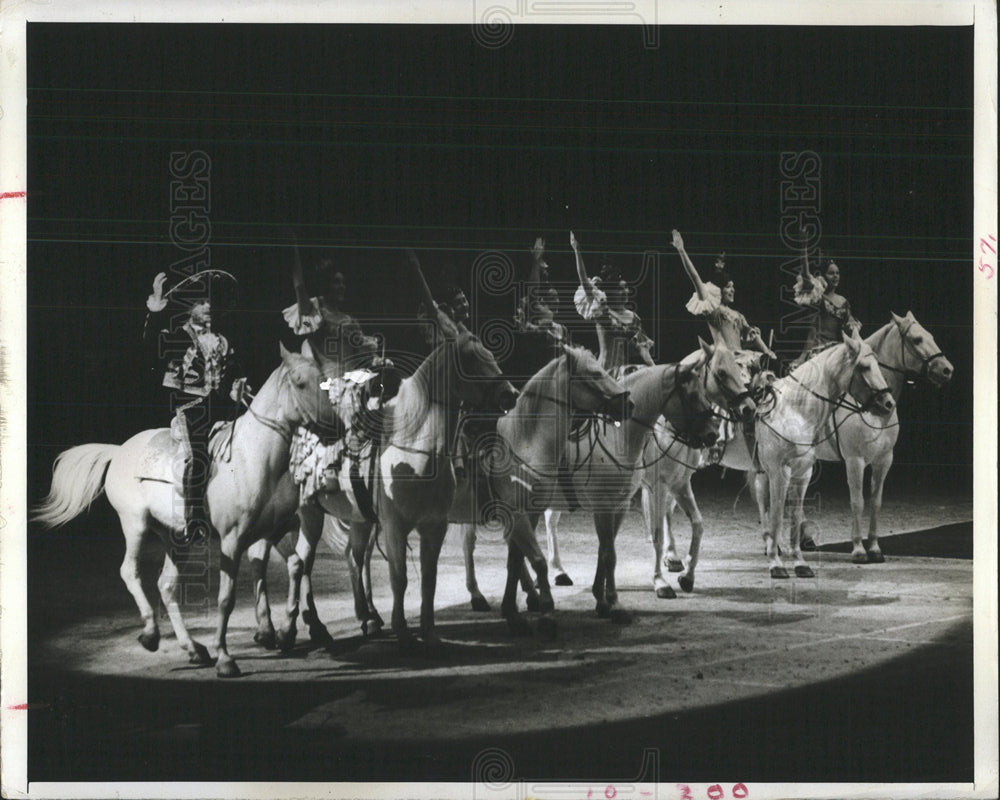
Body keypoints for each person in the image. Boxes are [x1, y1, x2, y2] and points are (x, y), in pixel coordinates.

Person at [144, 269, 247, 545]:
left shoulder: (223, 341)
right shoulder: (178, 335)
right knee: (197, 456)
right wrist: (155, 308)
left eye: (210, 302)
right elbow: (151, 343)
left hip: (221, 410)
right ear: (190, 308)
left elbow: (232, 375)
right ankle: (194, 519)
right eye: (201, 302)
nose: (208, 307)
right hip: (189, 408)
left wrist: (238, 386)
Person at [670, 229, 777, 384]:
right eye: (728, 287)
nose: (732, 290)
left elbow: (752, 337)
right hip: (727, 358)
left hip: (744, 355)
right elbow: (695, 278)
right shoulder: (714, 310)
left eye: (733, 286)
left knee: (770, 371)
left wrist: (767, 351)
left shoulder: (738, 315)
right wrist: (682, 251)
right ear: (719, 290)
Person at [570, 231, 655, 374]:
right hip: (603, 371)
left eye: (626, 288)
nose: (625, 292)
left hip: (623, 372)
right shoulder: (602, 310)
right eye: (619, 289)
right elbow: (584, 281)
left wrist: (654, 369)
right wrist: (577, 250)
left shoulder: (634, 318)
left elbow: (642, 349)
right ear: (610, 293)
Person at [791, 245, 861, 368]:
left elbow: (850, 324)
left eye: (837, 273)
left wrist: (852, 325)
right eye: (831, 273)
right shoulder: (818, 296)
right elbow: (806, 275)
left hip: (837, 351)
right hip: (819, 350)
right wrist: (803, 247)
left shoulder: (843, 301)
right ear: (823, 276)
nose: (835, 276)